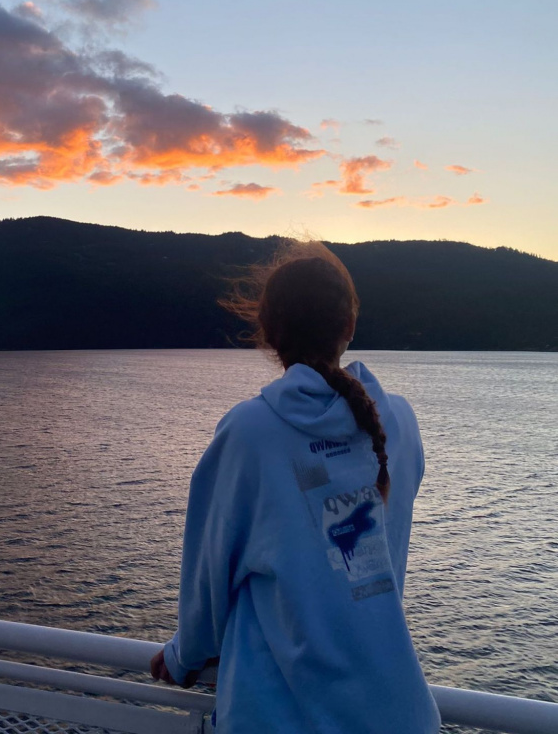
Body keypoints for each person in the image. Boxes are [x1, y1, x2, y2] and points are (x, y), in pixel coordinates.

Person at [150, 241, 440, 734]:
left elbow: (208, 576)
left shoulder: (251, 434)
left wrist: (183, 658)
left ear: (269, 335)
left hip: (280, 716)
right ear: (349, 325)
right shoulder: (400, 423)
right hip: (398, 715)